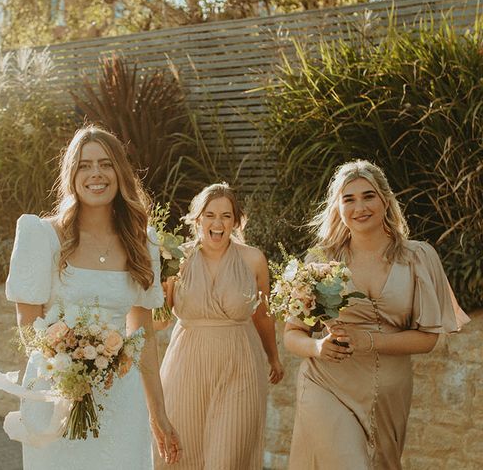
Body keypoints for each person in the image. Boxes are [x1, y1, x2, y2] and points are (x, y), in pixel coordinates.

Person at [1, 125, 181, 469]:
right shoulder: (43, 236)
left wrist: (158, 412)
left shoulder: (143, 243)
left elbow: (142, 336)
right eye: (84, 165)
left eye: (105, 164)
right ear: (71, 175)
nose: (95, 174)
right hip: (57, 389)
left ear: (120, 173)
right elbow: (28, 322)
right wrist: (65, 366)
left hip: (120, 394)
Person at [284, 160, 469, 469]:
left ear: (385, 200)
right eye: (349, 199)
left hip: (390, 393)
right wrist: (317, 347)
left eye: (368, 196)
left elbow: (428, 340)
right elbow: (292, 335)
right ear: (337, 207)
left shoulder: (418, 258)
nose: (360, 207)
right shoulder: (318, 260)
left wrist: (366, 339)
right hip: (325, 383)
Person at [155, 183, 284, 470]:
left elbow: (262, 315)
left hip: (240, 364)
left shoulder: (253, 259)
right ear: (197, 219)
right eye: (210, 215)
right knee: (182, 455)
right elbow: (161, 319)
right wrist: (153, 286)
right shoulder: (175, 259)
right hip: (186, 365)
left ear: (236, 221)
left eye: (226, 216)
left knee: (228, 457)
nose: (218, 223)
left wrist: (273, 356)